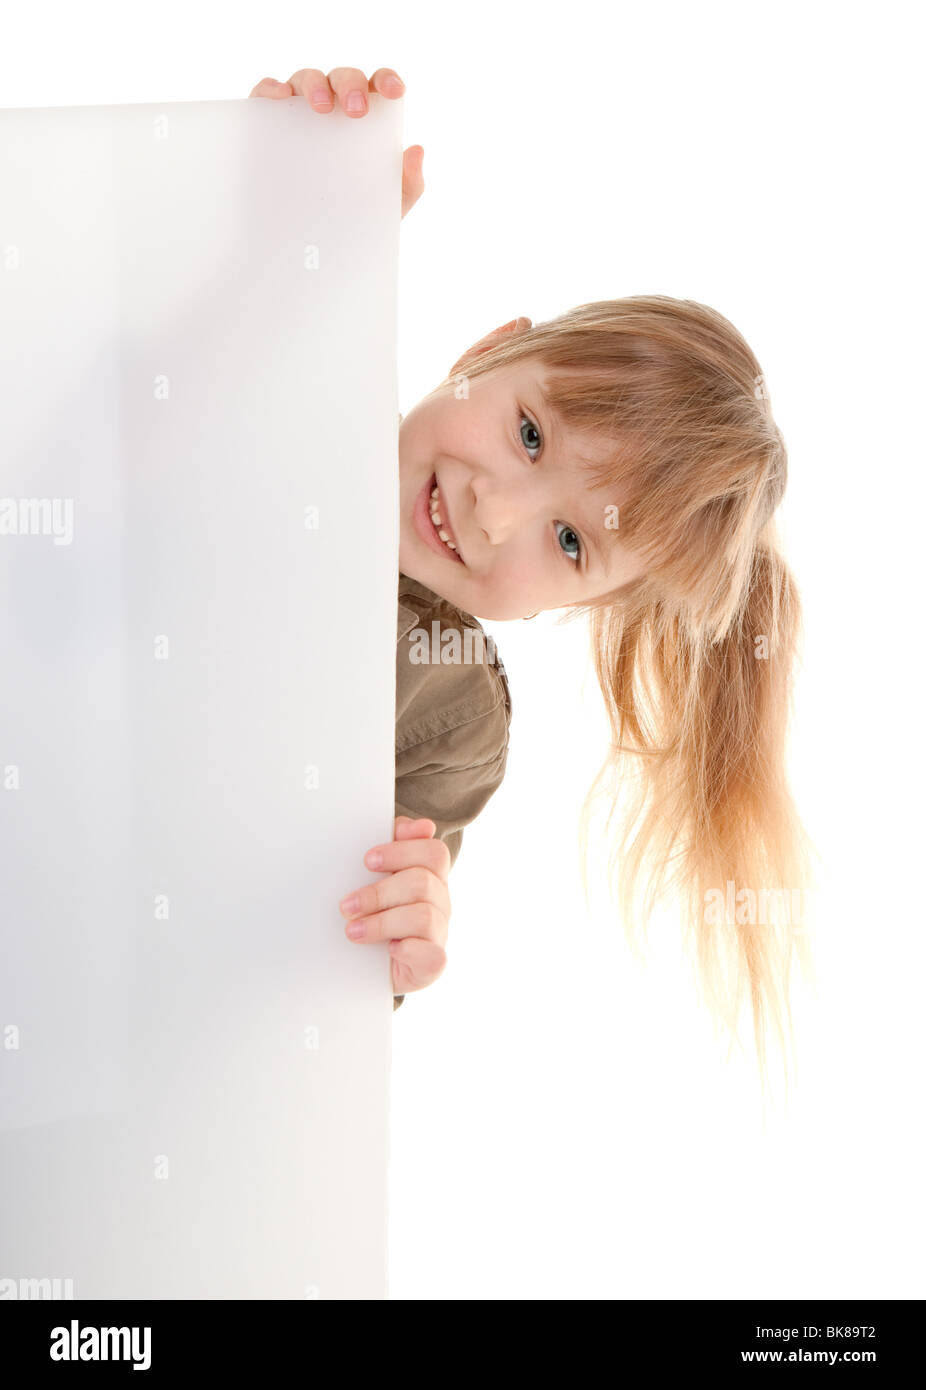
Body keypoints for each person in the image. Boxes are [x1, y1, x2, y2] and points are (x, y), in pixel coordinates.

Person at [250, 68, 813, 1074]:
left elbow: (270, 998)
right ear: (485, 349)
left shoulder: (451, 711)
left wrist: (387, 943)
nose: (492, 509)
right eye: (525, 431)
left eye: (568, 543)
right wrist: (281, 232)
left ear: (584, 604)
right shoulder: (283, 370)